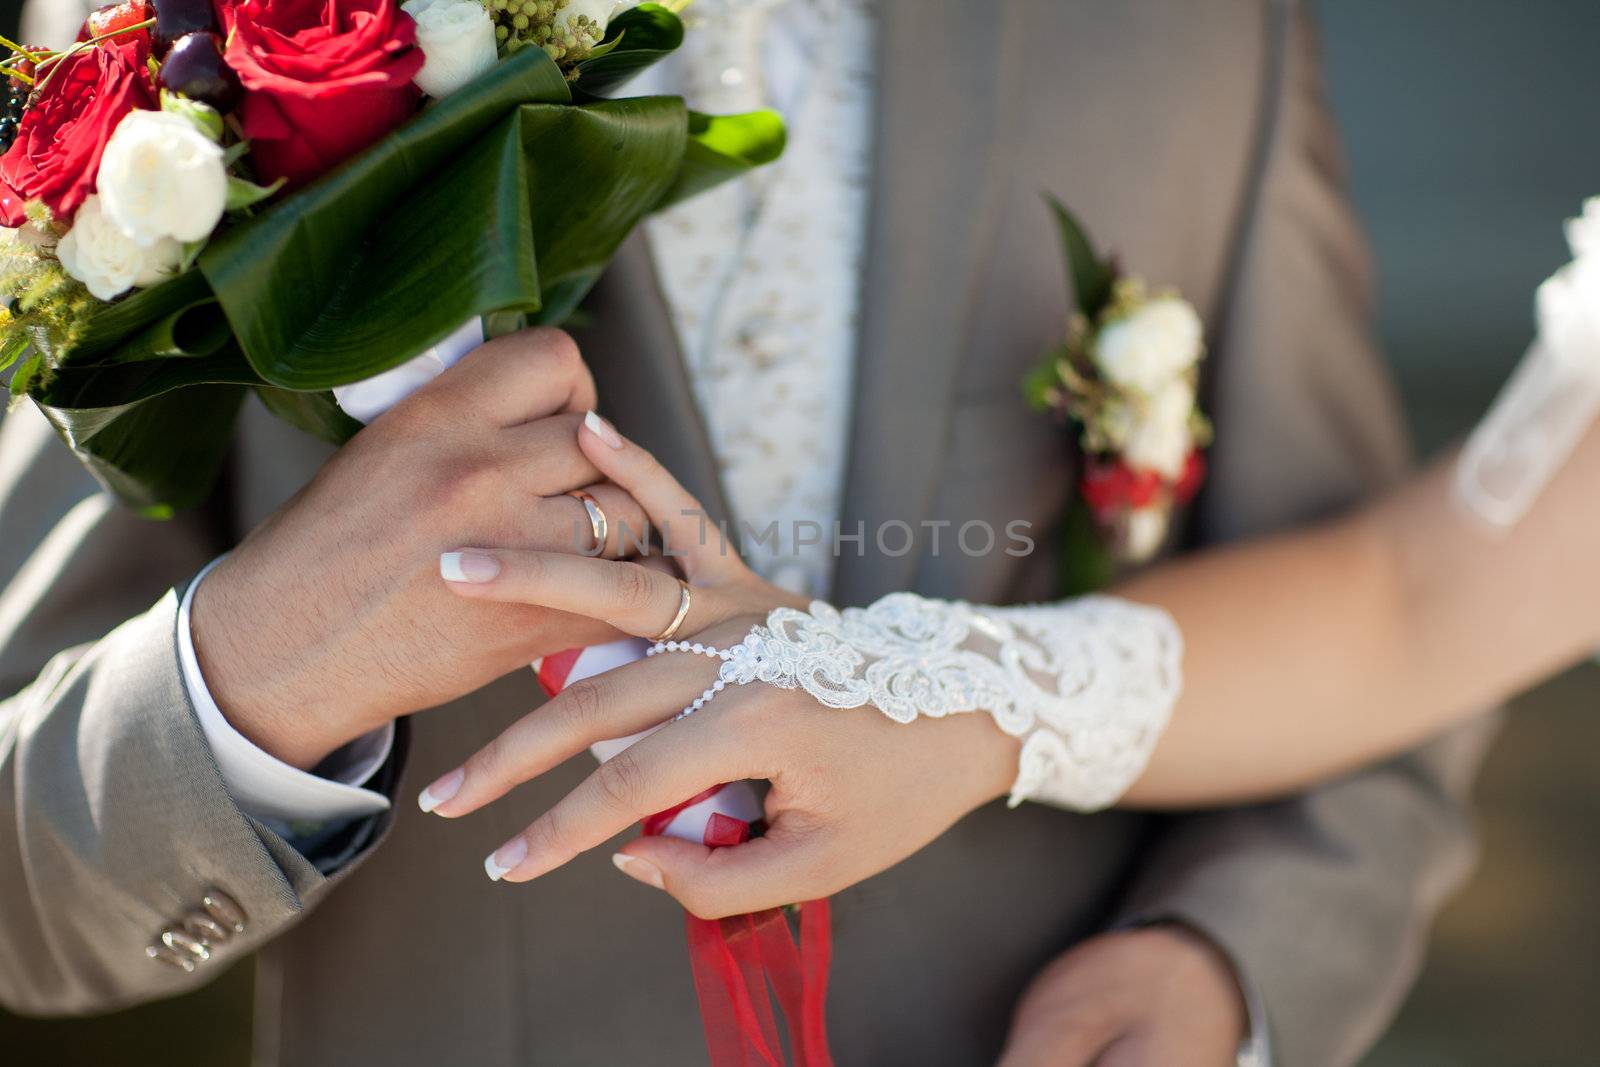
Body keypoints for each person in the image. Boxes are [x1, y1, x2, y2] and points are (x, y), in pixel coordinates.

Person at [0, 2, 1491, 1065]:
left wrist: (1227, 964)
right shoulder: (162, 69)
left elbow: (1401, 625)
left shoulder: (1197, 35)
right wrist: (263, 668)